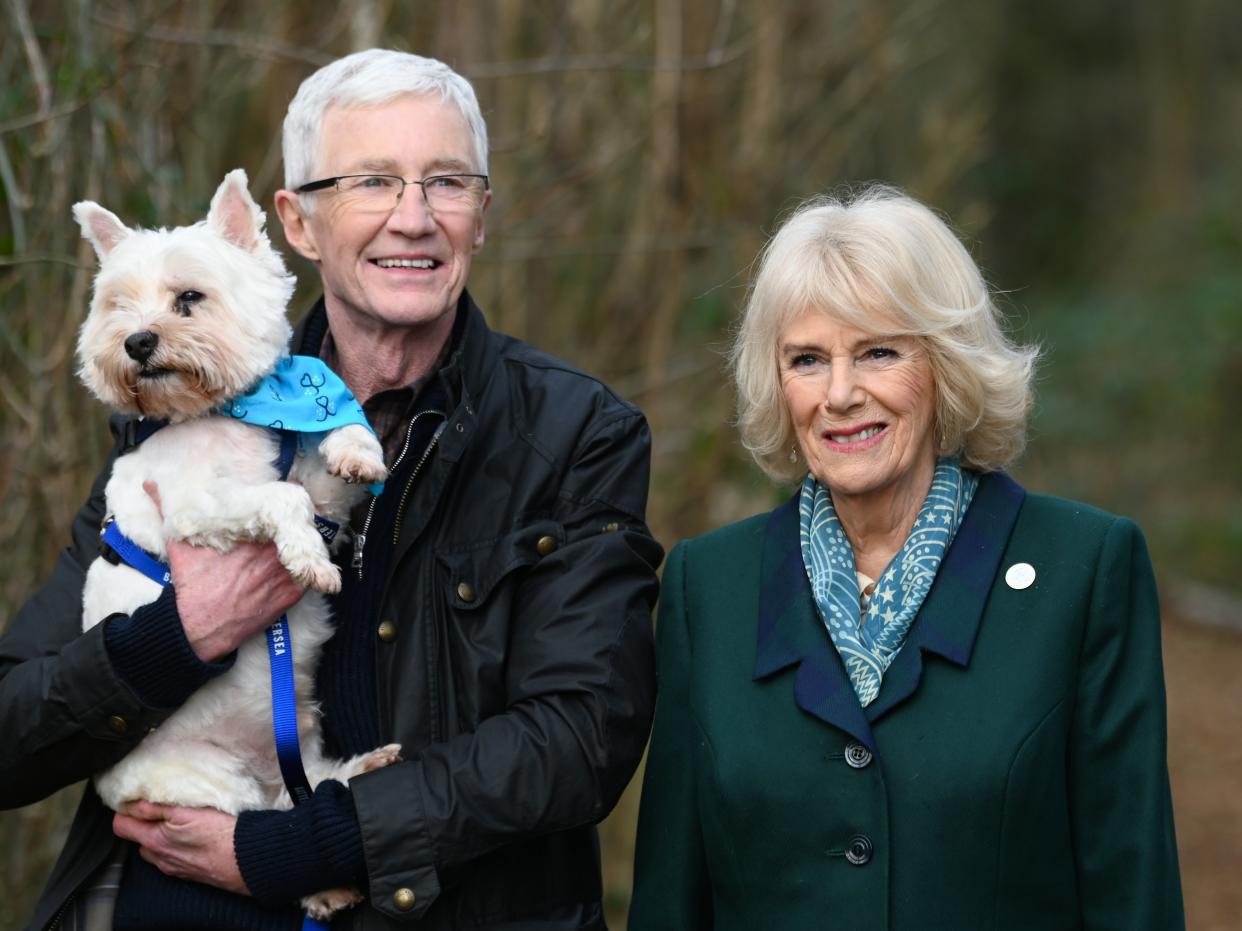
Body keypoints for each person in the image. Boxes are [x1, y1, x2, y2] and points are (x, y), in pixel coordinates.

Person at [0, 49, 662, 930]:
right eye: (373, 182)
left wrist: (294, 849)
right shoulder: (178, 417)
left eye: (447, 183)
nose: (414, 218)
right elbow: (12, 732)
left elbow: (580, 740)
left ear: (483, 215)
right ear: (298, 223)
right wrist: (178, 635)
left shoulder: (575, 434)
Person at [628, 186, 1184, 930]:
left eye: (878, 352)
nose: (841, 393)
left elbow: (1133, 890)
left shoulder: (1085, 570)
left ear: (945, 366)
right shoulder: (709, 588)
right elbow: (671, 899)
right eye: (807, 359)